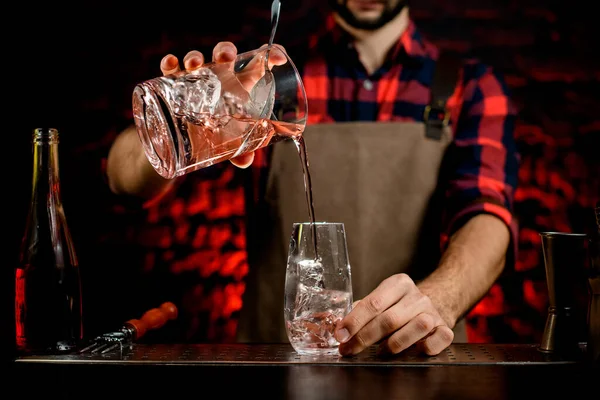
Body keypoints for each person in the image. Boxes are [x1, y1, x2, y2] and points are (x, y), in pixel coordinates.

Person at [105, 0, 519, 356]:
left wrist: (440, 299)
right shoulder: (267, 77)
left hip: (413, 360)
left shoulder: (469, 85)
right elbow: (122, 179)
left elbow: (487, 214)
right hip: (276, 361)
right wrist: (181, 129)